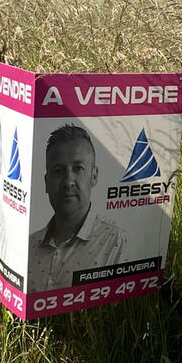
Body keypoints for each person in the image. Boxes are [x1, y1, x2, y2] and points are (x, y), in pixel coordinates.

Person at [27, 123, 126, 293]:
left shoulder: (115, 241)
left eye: (78, 168)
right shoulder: (29, 246)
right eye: (58, 171)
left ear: (94, 177)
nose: (68, 182)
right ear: (46, 182)